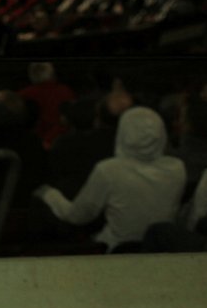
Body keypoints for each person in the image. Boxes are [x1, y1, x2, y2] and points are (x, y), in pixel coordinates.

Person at [35, 106, 185, 252]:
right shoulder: (177, 168)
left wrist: (49, 195)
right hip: (162, 250)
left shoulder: (109, 170)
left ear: (123, 133)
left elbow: (78, 215)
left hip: (115, 251)